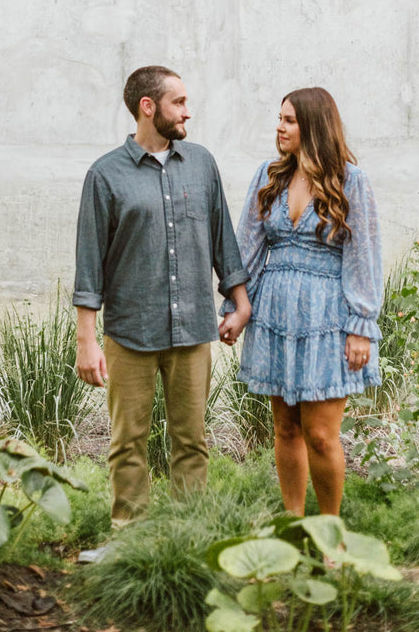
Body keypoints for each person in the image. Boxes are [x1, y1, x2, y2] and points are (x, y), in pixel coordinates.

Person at [74, 65, 250, 530]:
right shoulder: (105, 176)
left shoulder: (202, 163)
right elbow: (89, 265)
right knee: (128, 440)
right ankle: (129, 536)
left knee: (191, 440)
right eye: (179, 103)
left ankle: (187, 536)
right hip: (131, 331)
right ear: (148, 107)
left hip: (193, 328)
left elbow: (222, 240)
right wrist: (86, 341)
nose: (187, 113)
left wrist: (240, 301)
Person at [219, 87, 382, 516]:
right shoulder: (267, 176)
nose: (279, 127)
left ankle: (328, 531)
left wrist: (361, 325)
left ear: (313, 126)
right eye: (280, 119)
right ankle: (294, 525)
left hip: (327, 319)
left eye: (289, 120)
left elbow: (363, 255)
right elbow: (247, 250)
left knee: (322, 434)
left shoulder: (351, 181)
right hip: (275, 314)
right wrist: (237, 308)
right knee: (285, 429)